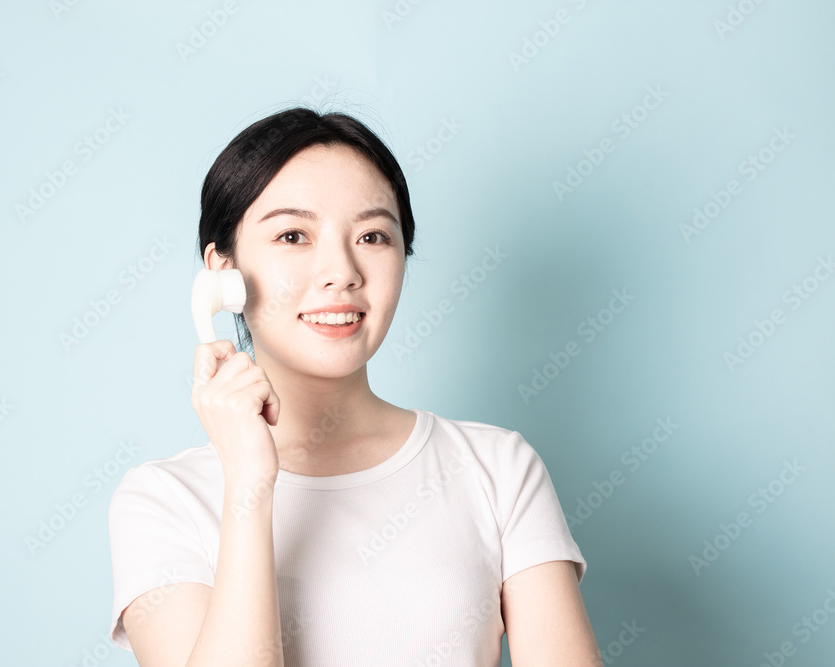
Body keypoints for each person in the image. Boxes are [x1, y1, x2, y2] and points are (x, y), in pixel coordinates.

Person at [107, 106, 602, 666]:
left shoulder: (498, 468)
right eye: (293, 235)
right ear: (222, 274)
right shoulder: (163, 500)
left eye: (372, 235)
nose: (341, 270)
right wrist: (249, 484)